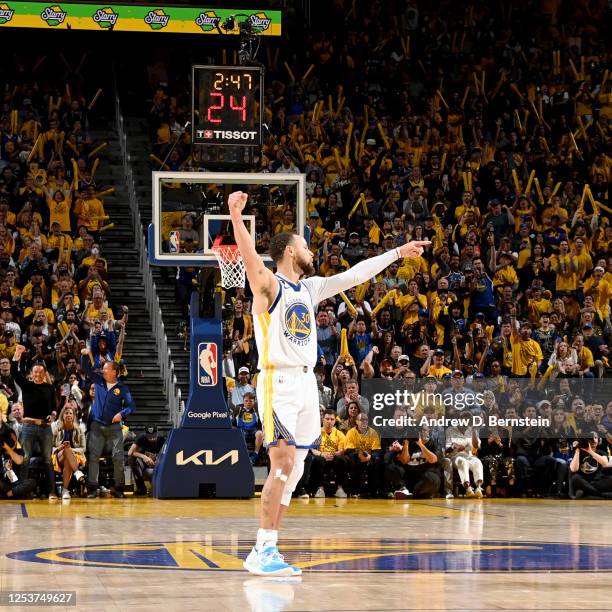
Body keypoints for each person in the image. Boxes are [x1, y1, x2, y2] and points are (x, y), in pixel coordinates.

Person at [229, 189, 430, 576]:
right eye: (304, 245)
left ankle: (269, 548)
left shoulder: (309, 288)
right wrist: (236, 217)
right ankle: (262, 547)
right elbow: (252, 262)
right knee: (283, 462)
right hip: (279, 381)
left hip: (308, 384)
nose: (310, 250)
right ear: (289, 251)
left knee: (297, 468)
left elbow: (354, 276)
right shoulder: (270, 286)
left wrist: (397, 253)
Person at [80, 347, 136, 498]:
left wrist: (121, 413)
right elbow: (86, 368)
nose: (102, 370)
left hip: (114, 427)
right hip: (97, 425)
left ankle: (118, 488)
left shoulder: (123, 388)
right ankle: (92, 488)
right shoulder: (98, 381)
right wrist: (84, 355)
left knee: (118, 457)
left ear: (114, 372)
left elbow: (132, 406)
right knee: (93, 456)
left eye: (105, 368)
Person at [11, 344, 57, 499]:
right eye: (35, 372)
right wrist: (17, 354)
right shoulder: (26, 385)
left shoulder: (49, 388)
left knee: (47, 460)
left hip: (45, 427)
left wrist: (53, 415)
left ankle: (51, 491)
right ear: (31, 374)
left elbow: (54, 406)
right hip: (28, 427)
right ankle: (23, 491)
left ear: (44, 374)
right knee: (24, 459)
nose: (38, 374)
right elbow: (14, 372)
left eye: (40, 372)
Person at [52, 405, 86, 499]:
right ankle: (77, 472)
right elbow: (51, 447)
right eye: (66, 413)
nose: (68, 415)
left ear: (74, 416)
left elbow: (83, 448)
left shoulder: (79, 430)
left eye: (70, 413)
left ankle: (65, 490)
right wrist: (60, 447)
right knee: (66, 450)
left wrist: (71, 450)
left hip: (74, 457)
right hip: (59, 456)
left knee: (68, 460)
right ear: (63, 416)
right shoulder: (57, 430)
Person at [128, 424, 165, 495]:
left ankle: (156, 486)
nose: (152, 439)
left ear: (157, 432)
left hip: (157, 467)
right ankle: (141, 488)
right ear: (146, 434)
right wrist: (144, 456)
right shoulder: (141, 438)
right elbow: (130, 452)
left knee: (155, 491)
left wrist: (158, 460)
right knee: (131, 459)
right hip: (144, 466)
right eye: (149, 437)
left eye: (154, 436)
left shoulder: (162, 440)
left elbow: (168, 454)